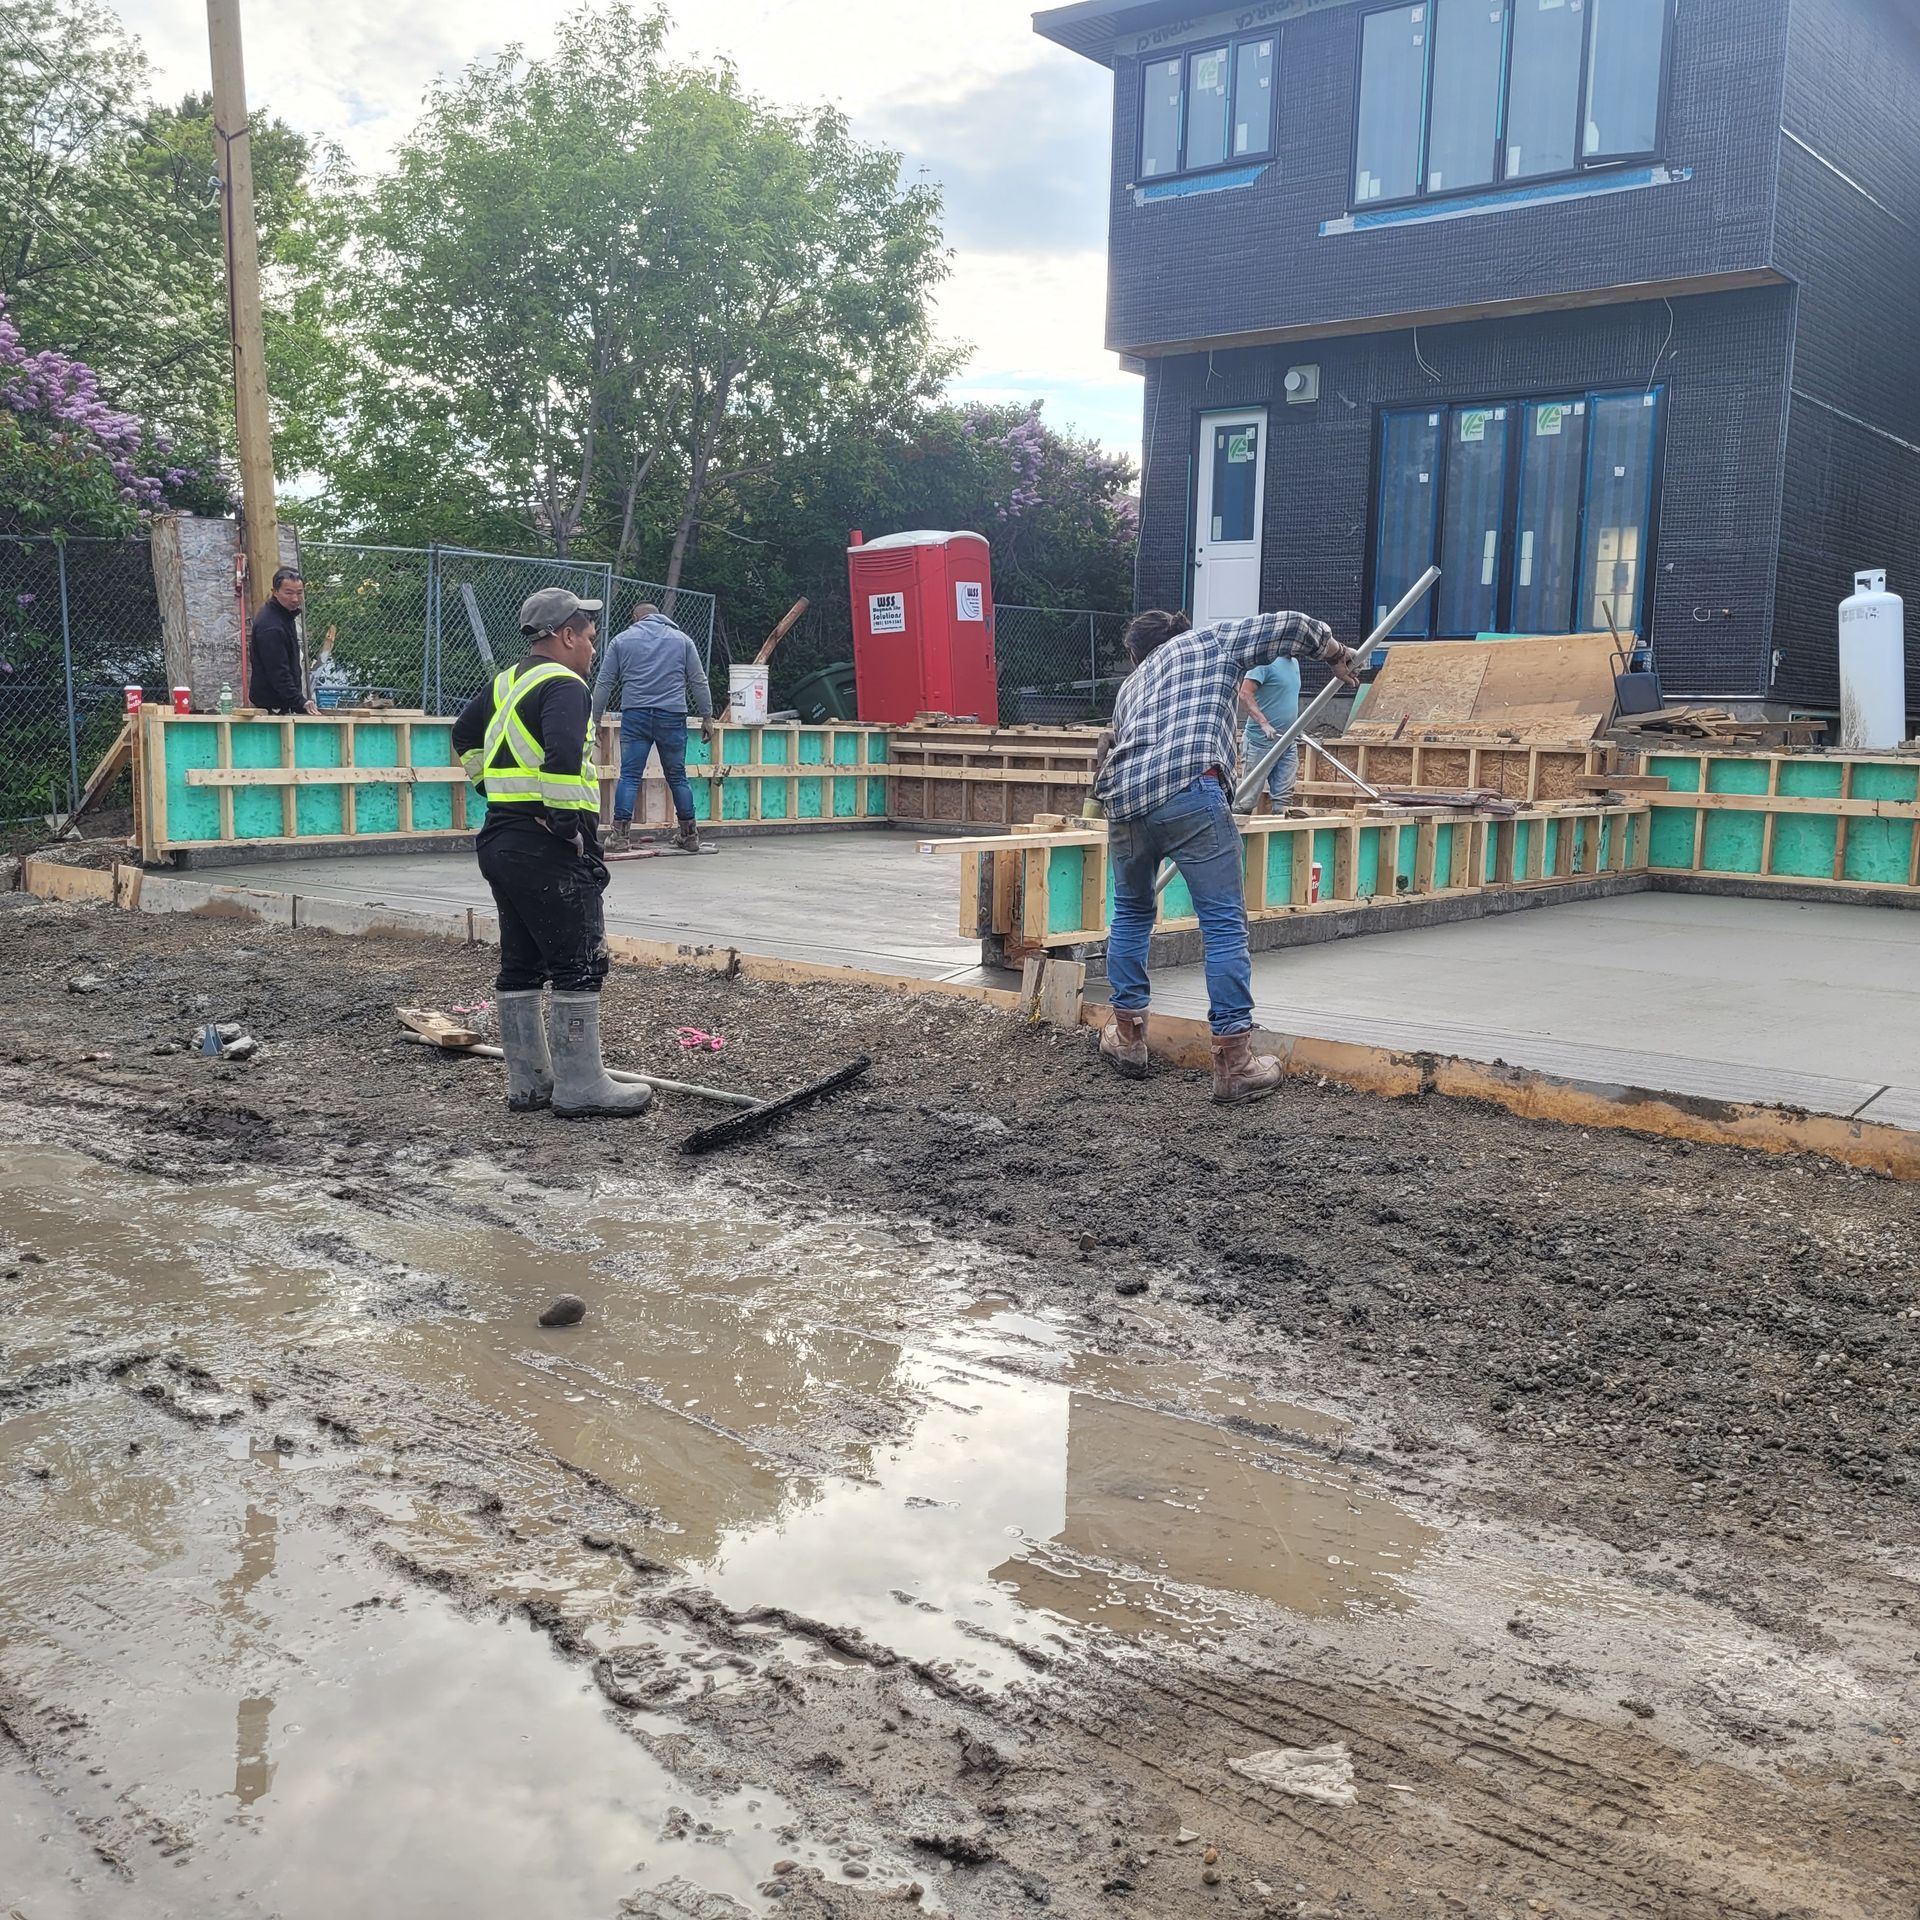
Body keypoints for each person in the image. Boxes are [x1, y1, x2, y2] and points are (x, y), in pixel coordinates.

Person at [1093, 607, 1362, 1104]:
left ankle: (1128, 1040)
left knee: (1131, 912)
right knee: (1222, 924)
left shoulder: (1132, 687)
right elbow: (1294, 625)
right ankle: (1234, 1063)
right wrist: (1335, 653)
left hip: (1124, 802)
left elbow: (1107, 746)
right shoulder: (1209, 643)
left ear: (1135, 655)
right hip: (1189, 788)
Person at [450, 587, 651, 1122]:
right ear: (566, 635)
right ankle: (581, 1086)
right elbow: (563, 757)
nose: (592, 647)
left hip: (501, 840)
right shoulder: (565, 685)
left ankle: (529, 1084)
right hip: (546, 846)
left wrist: (490, 789)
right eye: (588, 636)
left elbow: (463, 735)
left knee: (521, 962)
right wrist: (568, 828)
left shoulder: (507, 682)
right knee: (577, 962)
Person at [590, 602, 716, 854]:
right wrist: (707, 716)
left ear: (635, 618)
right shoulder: (682, 641)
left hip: (635, 715)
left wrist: (595, 718)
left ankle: (620, 837)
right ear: (660, 617)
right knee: (677, 776)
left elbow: (604, 682)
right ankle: (689, 835)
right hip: (672, 715)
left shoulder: (621, 641)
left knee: (629, 775)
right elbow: (698, 680)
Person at [1237, 654, 1302, 813]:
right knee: (1246, 800)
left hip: (1287, 742)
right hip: (1260, 742)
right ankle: (1238, 834)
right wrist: (1263, 723)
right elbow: (1245, 694)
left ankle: (1280, 833)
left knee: (1284, 800)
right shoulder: (1264, 662)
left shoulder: (1294, 663)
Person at [249, 567, 316, 715]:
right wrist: (300, 702)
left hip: (283, 703)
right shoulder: (271, 626)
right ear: (275, 592)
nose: (295, 599)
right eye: (289, 593)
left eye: (299, 593)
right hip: (272, 707)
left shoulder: (285, 616)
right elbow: (278, 672)